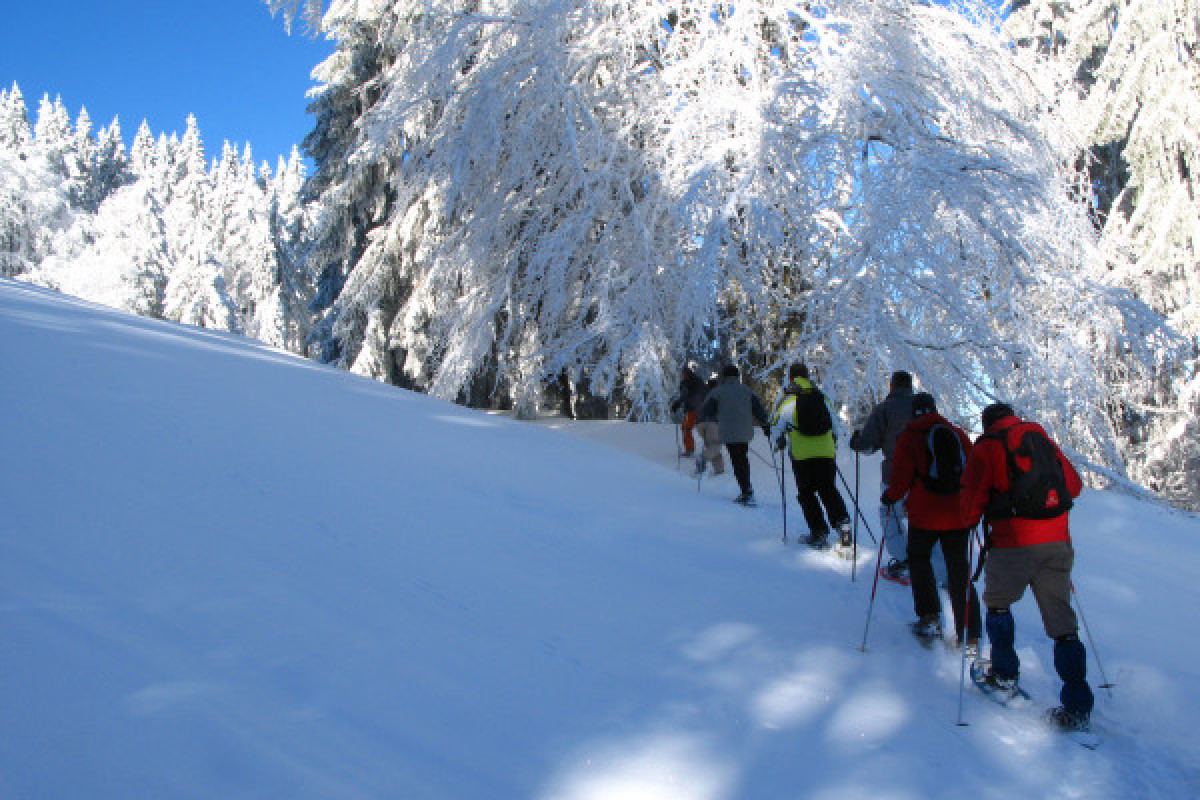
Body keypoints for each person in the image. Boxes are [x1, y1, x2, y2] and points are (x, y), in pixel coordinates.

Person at [960, 402, 1093, 731]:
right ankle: (1077, 704)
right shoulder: (1040, 438)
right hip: (1058, 542)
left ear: (987, 423)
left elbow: (970, 505)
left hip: (1013, 543)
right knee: (1063, 624)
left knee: (998, 605)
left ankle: (1004, 674)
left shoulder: (988, 447)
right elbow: (1073, 486)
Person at [882, 392, 981, 650]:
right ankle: (969, 631)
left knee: (919, 561)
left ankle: (930, 617)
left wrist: (890, 497)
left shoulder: (910, 436)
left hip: (924, 514)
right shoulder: (956, 433)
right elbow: (973, 469)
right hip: (957, 514)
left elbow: (901, 477)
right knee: (959, 569)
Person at [770, 364, 851, 548]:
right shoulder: (821, 397)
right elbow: (835, 426)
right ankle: (844, 528)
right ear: (807, 376)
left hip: (802, 455)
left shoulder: (789, 400)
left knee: (807, 494)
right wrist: (832, 445)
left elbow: (775, 427)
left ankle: (819, 533)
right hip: (826, 452)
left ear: (790, 378)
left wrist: (780, 441)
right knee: (829, 490)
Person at [850, 370, 916, 580]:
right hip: (924, 478)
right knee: (922, 520)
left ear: (892, 385)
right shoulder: (922, 407)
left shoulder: (884, 409)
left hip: (894, 475)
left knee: (892, 518)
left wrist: (857, 442)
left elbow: (869, 444)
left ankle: (904, 561)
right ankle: (932, 565)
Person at [701, 364, 771, 505]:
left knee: (737, 460)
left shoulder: (718, 392)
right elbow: (758, 410)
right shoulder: (747, 391)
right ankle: (747, 489)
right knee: (742, 459)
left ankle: (746, 491)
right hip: (745, 431)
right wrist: (765, 425)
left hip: (728, 431)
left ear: (724, 376)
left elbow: (707, 411)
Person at [670, 366, 707, 457]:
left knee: (686, 428)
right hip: (700, 409)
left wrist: (677, 404)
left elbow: (685, 396)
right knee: (700, 429)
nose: (681, 376)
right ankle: (709, 449)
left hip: (691, 410)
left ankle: (690, 450)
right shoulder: (697, 381)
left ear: (686, 374)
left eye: (682, 374)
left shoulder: (687, 383)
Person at [694, 377, 725, 477]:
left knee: (712, 446)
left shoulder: (702, 394)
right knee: (716, 445)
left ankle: (719, 471)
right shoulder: (716, 395)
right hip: (711, 423)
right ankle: (703, 457)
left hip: (700, 424)